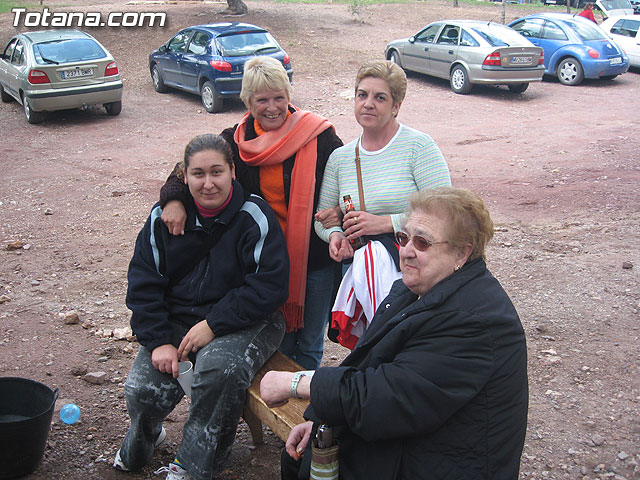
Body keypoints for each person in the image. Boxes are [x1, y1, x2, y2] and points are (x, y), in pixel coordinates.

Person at [262, 187, 529, 480]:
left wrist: (295, 383)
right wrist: (322, 421)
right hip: (412, 440)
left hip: (438, 462)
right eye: (402, 238)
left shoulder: (475, 322)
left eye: (422, 242)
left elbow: (385, 398)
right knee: (301, 460)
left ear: (462, 253)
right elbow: (367, 365)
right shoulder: (413, 289)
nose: (405, 251)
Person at [114, 134, 290, 480]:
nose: (208, 184)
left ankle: (194, 467)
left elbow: (269, 287)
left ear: (232, 172)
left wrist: (214, 323)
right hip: (181, 319)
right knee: (141, 390)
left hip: (249, 319)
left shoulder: (254, 216)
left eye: (216, 172)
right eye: (198, 174)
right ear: (184, 176)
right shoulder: (163, 219)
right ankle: (146, 437)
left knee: (217, 371)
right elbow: (143, 283)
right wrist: (159, 340)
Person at [159, 56, 343, 370]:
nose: (272, 107)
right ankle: (275, 406)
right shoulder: (234, 141)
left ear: (289, 95)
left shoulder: (319, 136)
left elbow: (346, 178)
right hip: (261, 262)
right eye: (262, 100)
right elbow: (188, 170)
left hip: (313, 259)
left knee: (310, 344)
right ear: (247, 101)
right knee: (277, 343)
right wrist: (173, 200)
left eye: (279, 98)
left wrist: (340, 209)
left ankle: (303, 411)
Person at [313, 59, 451, 346]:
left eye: (380, 97)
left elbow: (445, 210)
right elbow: (325, 218)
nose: (368, 104)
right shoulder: (340, 158)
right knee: (372, 346)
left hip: (411, 266)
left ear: (396, 105)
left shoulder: (419, 147)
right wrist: (336, 236)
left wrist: (386, 222)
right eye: (362, 95)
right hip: (359, 271)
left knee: (408, 343)